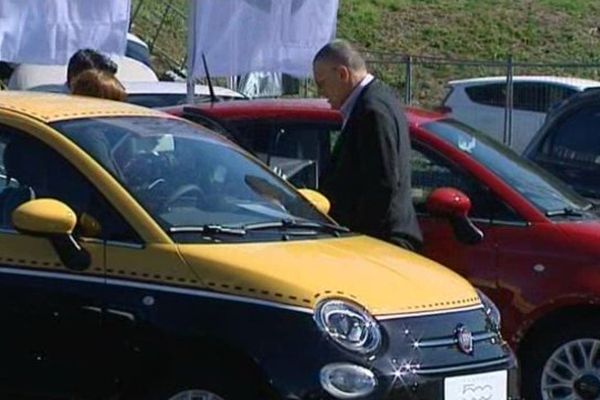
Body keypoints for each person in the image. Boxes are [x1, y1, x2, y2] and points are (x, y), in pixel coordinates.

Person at [313, 39, 423, 251]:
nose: (321, 92)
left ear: (342, 74)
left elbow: (382, 185)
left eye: (322, 83)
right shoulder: (379, 98)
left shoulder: (371, 111)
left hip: (381, 244)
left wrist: (360, 244)